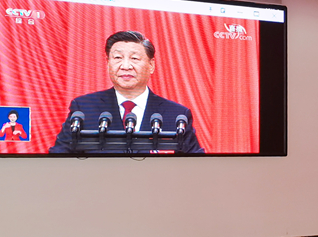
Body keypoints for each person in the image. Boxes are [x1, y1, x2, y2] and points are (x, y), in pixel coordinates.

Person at [49, 30, 204, 154]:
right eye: (117, 58)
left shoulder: (176, 114)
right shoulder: (84, 108)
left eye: (134, 58)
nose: (125, 66)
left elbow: (196, 164)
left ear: (151, 65)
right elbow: (58, 157)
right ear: (108, 63)